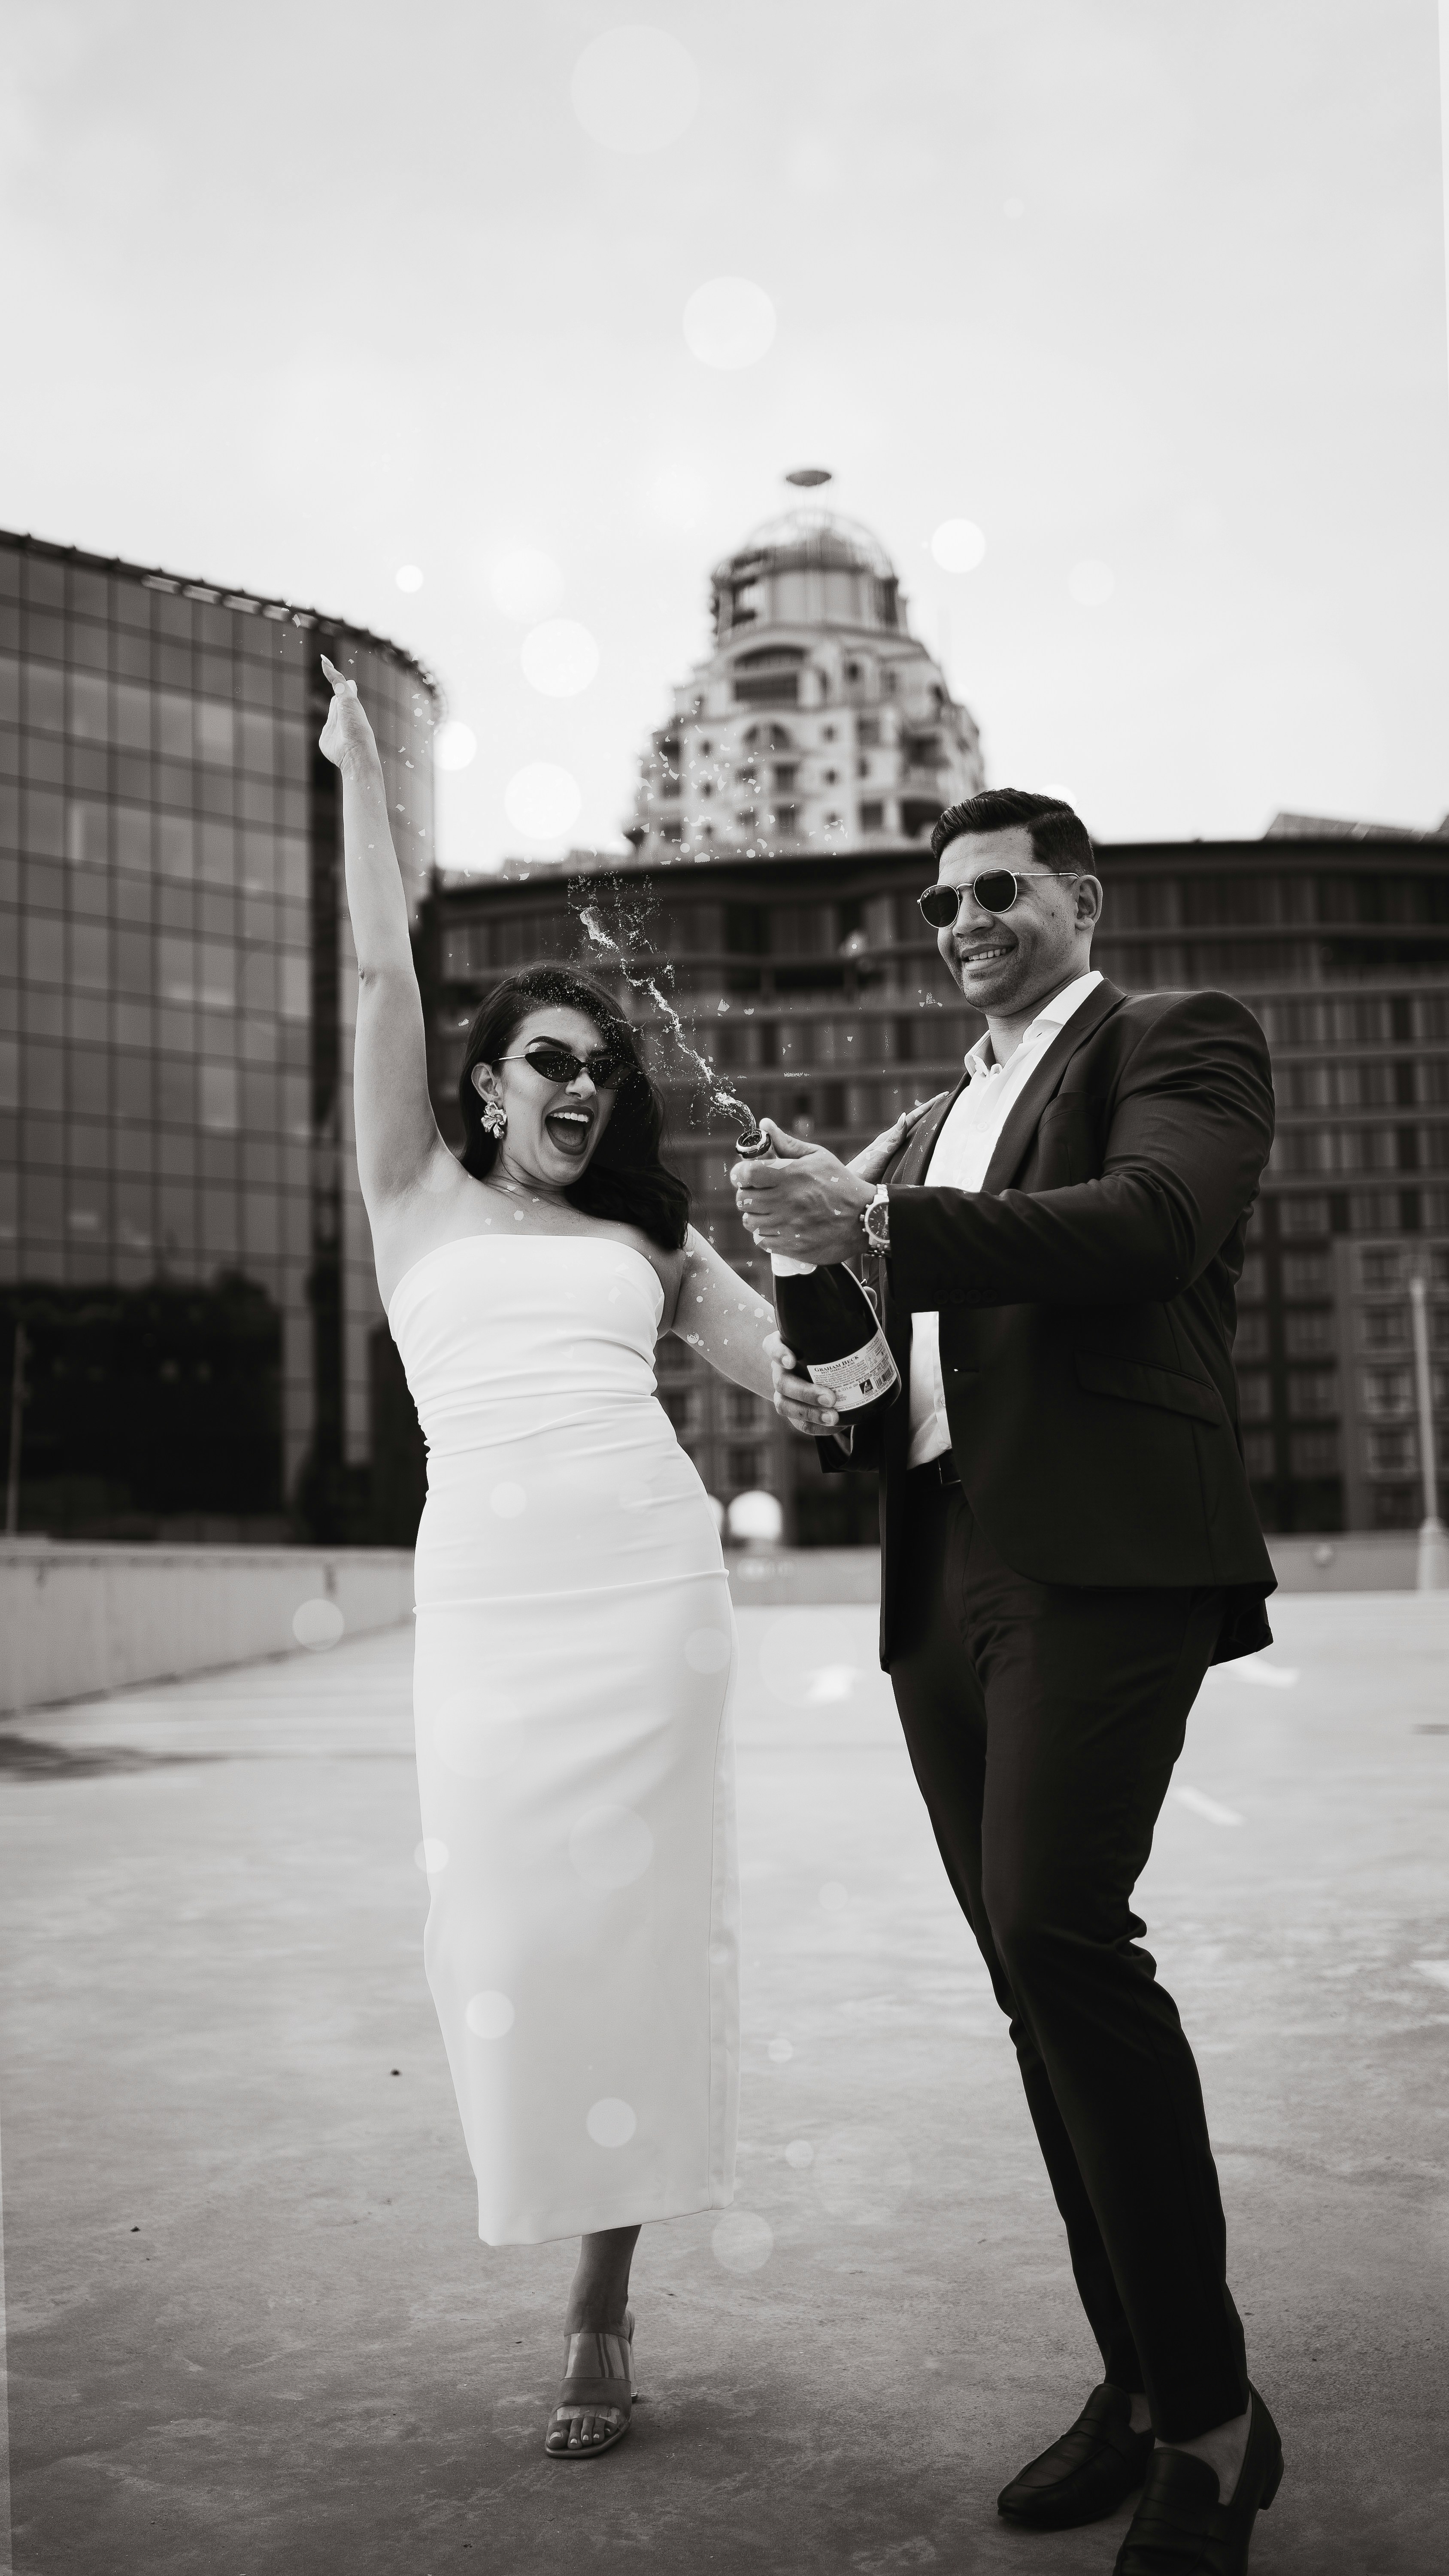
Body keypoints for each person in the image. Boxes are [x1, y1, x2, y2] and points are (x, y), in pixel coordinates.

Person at [316, 654, 927, 2463]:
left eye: (600, 1071)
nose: (581, 1092)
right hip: (490, 1623)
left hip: (650, 1604)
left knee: (634, 1944)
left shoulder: (652, 1243)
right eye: (549, 1067)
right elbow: (376, 967)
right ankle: (567, 2230)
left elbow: (812, 1389)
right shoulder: (409, 1190)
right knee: (506, 1927)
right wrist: (363, 780)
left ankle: (601, 2297)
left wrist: (848, 1237)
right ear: (486, 1084)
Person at [732, 788, 1284, 2576]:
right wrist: (822, 1289)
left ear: (1077, 898)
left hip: (1106, 1548)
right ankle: (1133, 2381)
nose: (961, 917)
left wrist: (879, 1224)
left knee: (1062, 1932)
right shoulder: (928, 1119)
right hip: (939, 1565)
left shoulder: (1173, 1039)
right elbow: (884, 1392)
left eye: (996, 889)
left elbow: (1149, 1230)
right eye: (942, 901)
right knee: (1025, 1985)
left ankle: (1211, 2421)